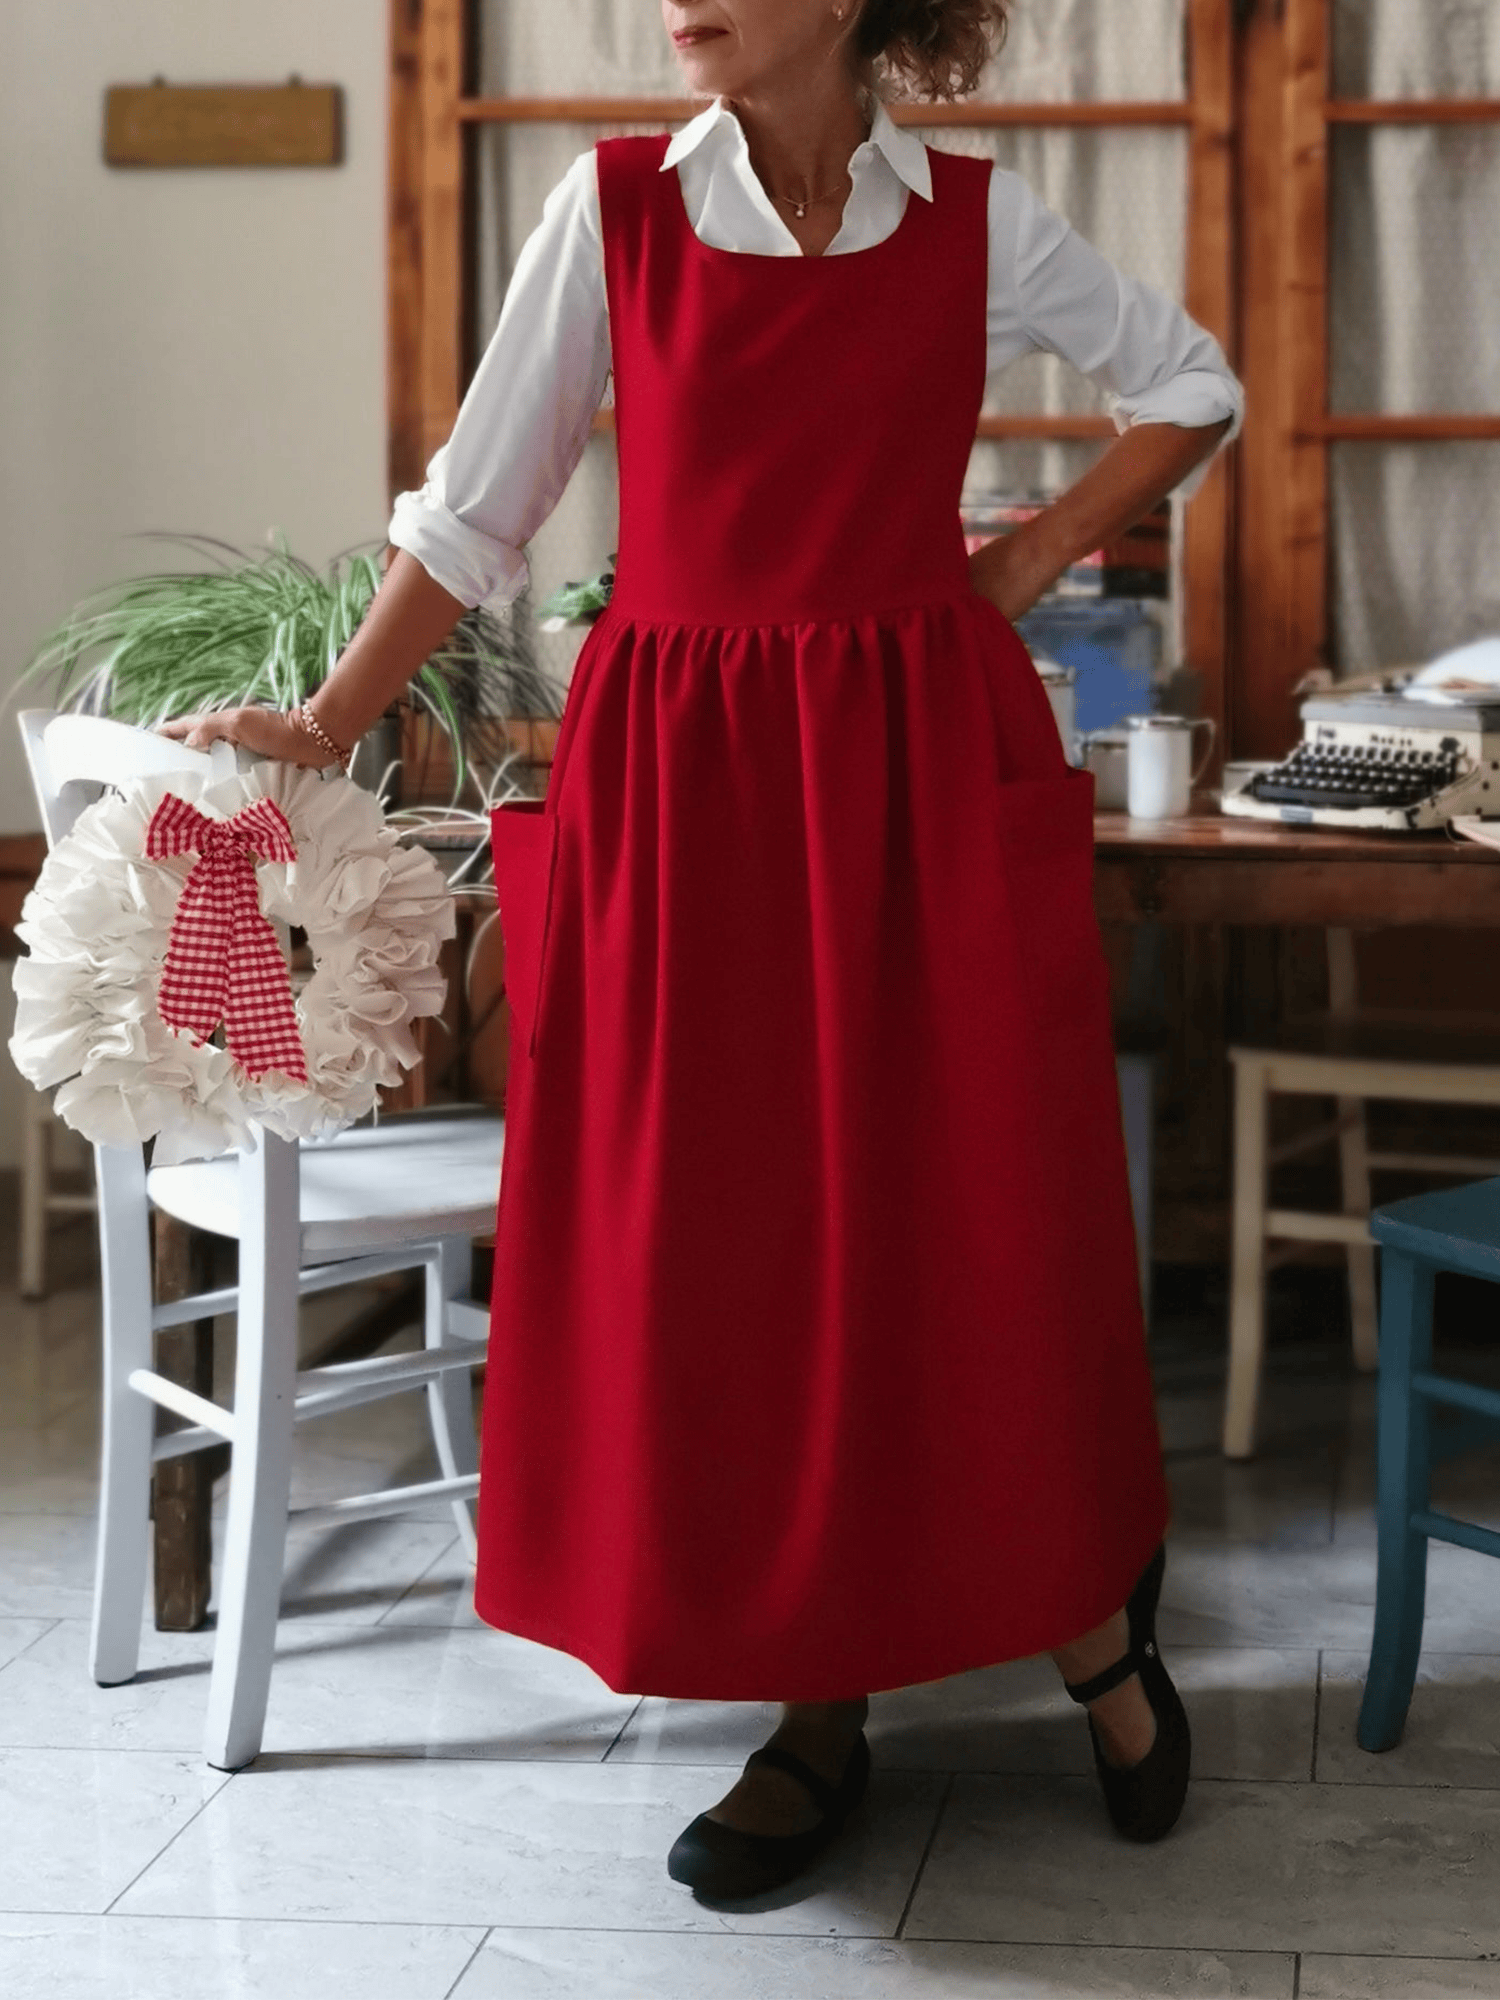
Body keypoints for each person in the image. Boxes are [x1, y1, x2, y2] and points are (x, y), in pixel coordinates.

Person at [164, 0, 1243, 1901]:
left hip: (920, 760)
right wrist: (327, 722)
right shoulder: (616, 211)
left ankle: (1094, 1633)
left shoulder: (981, 219)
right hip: (695, 784)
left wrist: (1013, 565)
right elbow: (481, 509)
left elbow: (1193, 385)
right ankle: (810, 1701)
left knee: (979, 1202)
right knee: (740, 1234)